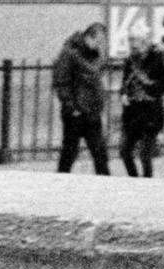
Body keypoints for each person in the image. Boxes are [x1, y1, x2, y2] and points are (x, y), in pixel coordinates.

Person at [117, 24, 164, 178]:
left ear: (144, 41)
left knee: (145, 155)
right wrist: (123, 93)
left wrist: (156, 89)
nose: (132, 44)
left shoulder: (157, 57)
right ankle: (134, 180)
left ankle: (147, 184)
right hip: (132, 112)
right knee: (124, 151)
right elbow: (125, 82)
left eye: (135, 40)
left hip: (151, 112)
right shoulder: (130, 60)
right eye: (130, 40)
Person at [50, 22, 110, 176]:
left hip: (92, 112)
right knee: (69, 154)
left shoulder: (95, 54)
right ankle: (59, 185)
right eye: (97, 42)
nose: (99, 46)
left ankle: (108, 189)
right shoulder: (69, 53)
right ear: (88, 37)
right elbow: (61, 81)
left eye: (102, 43)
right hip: (75, 113)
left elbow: (95, 79)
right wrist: (71, 107)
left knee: (100, 154)